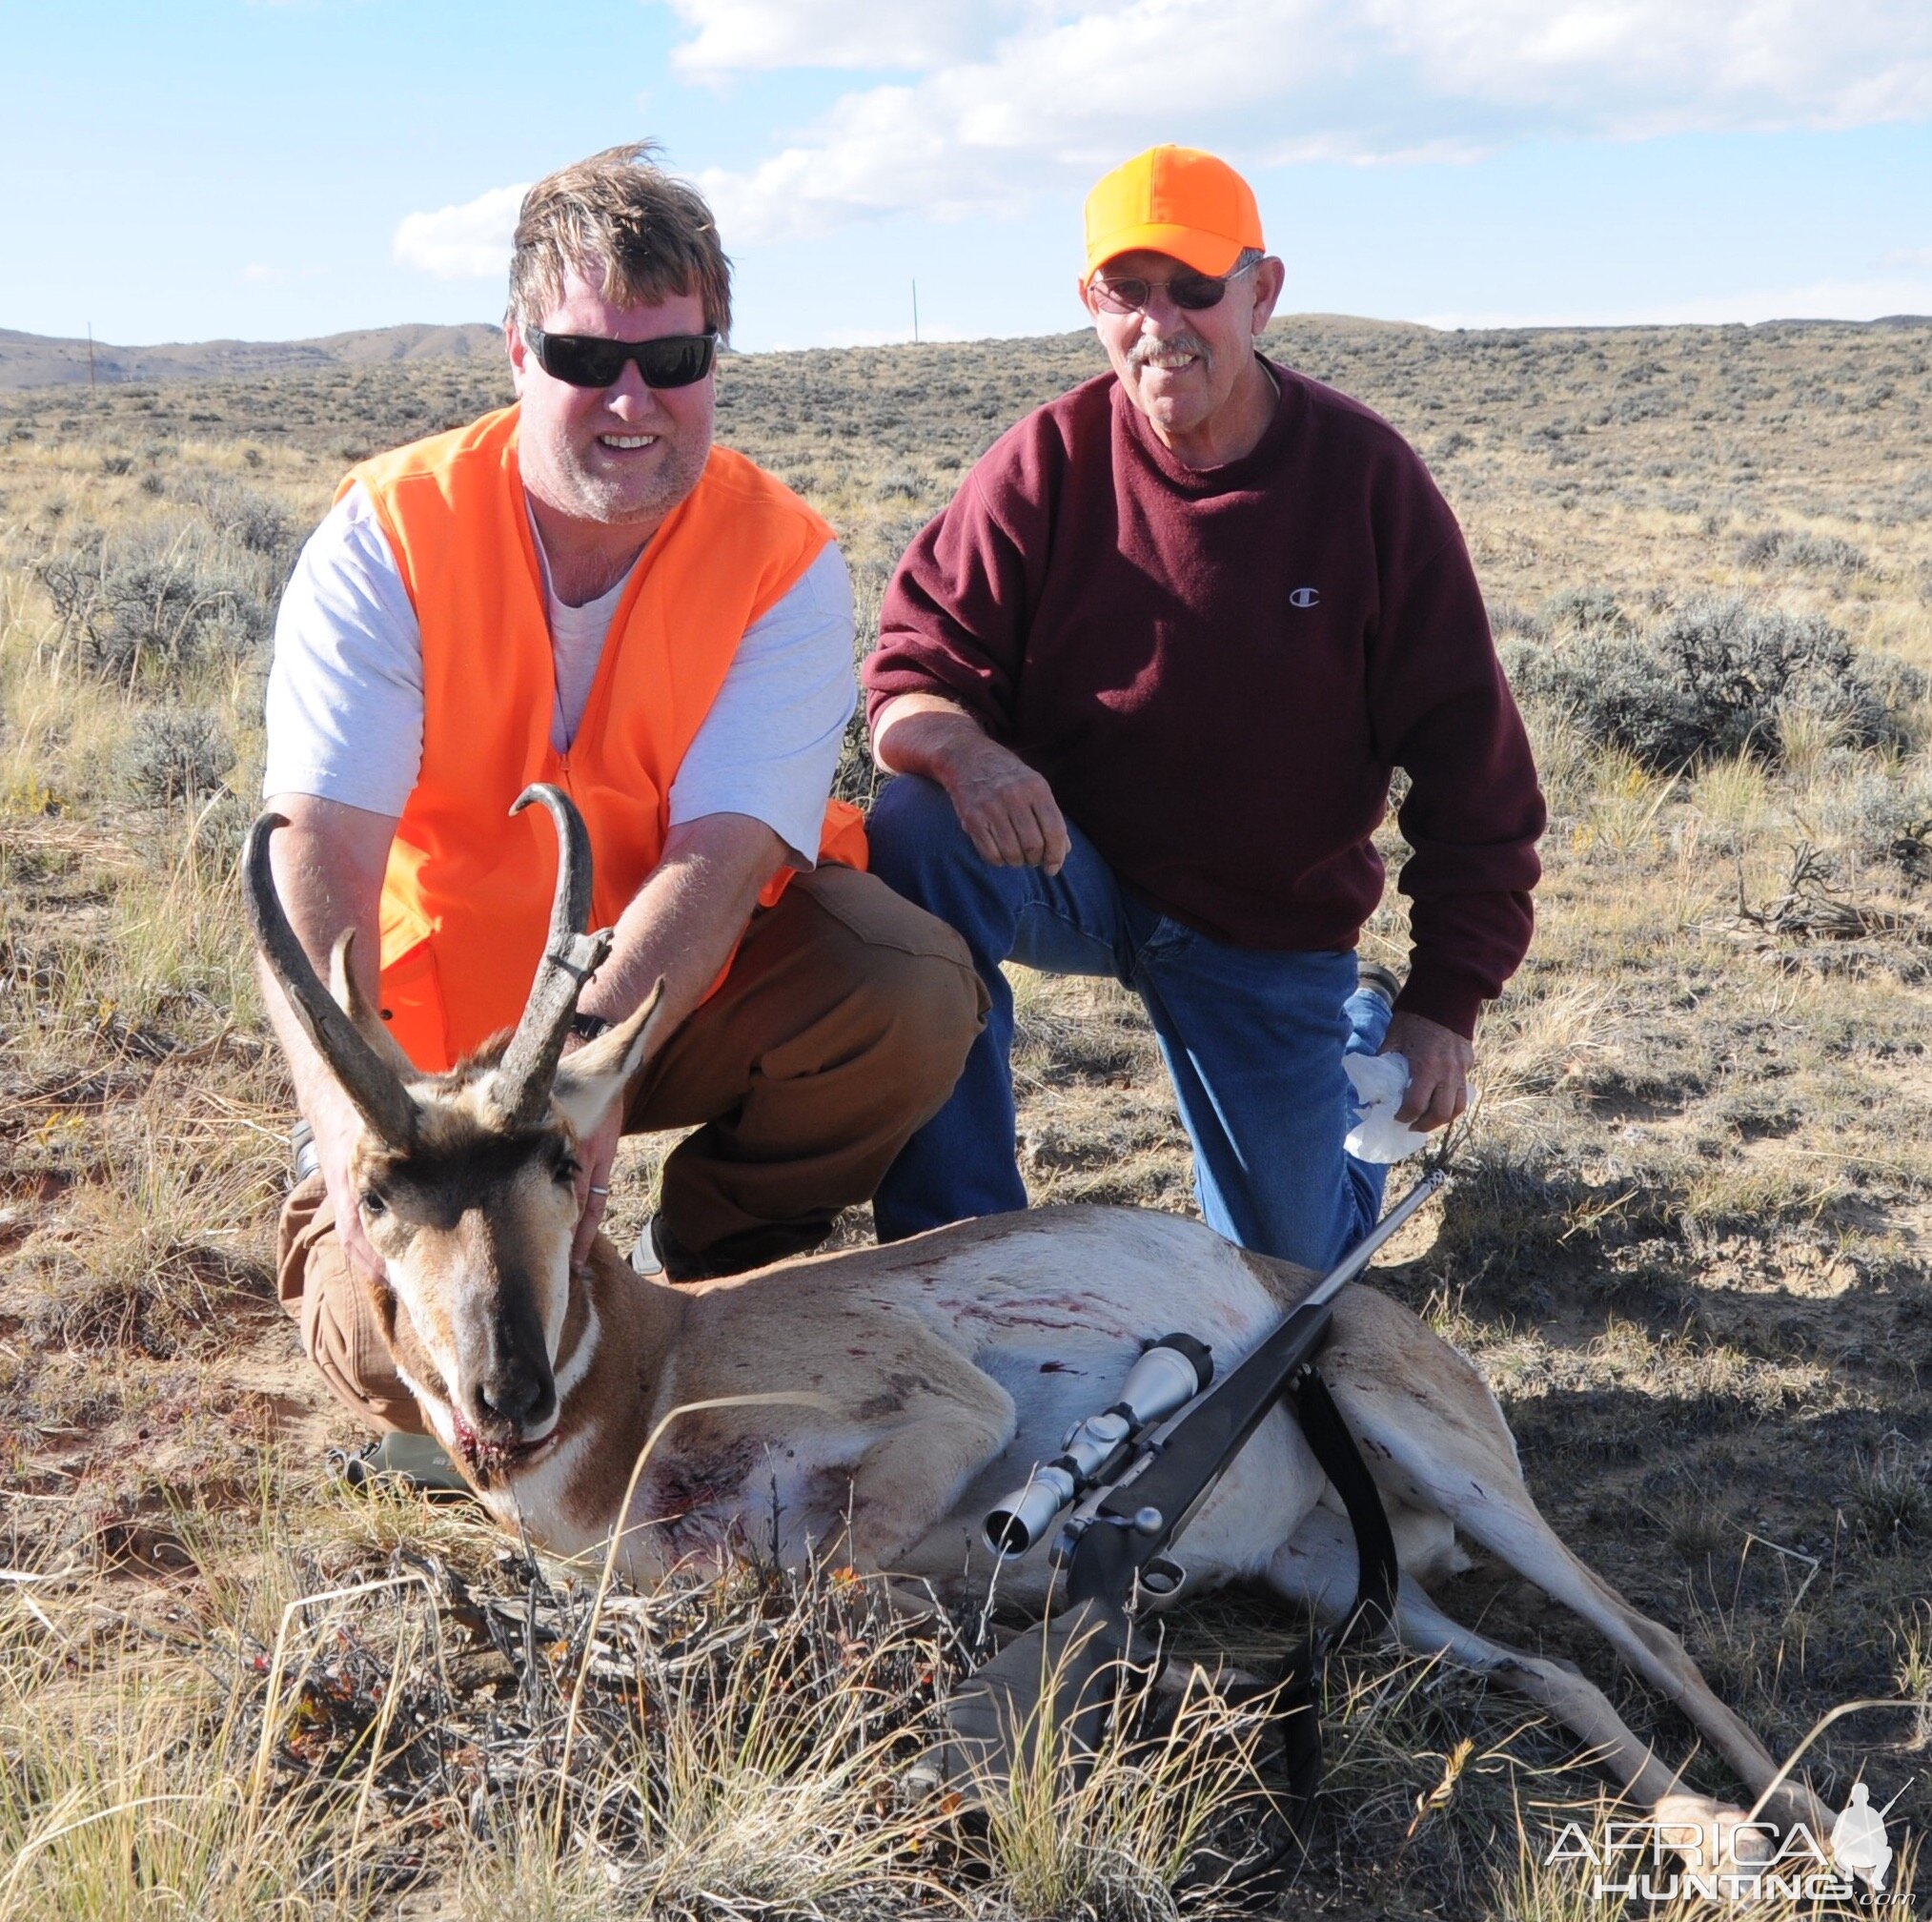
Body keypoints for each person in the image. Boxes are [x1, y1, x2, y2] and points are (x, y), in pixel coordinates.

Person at [262, 143, 984, 1442]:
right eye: (587, 360)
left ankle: (705, 1279)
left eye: (674, 359)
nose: (631, 400)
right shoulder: (387, 538)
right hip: (420, 1085)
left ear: (718, 351)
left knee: (905, 988)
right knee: (379, 1345)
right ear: (515, 351)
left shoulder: (781, 560)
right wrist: (364, 1148)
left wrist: (577, 1096)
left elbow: (715, 870)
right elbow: (315, 865)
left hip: (644, 1021)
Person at [862, 143, 1545, 1270]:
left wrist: (1442, 1004)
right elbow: (910, 667)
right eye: (1127, 292)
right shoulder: (1043, 464)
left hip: (1262, 928)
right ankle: (964, 1257)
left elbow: (1476, 775)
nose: (1159, 323)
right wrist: (962, 750)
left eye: (1194, 290)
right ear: (1090, 303)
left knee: (1283, 1279)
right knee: (918, 831)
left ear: (1260, 294)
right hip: (1070, 873)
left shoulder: (1366, 482)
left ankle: (1353, 1037)